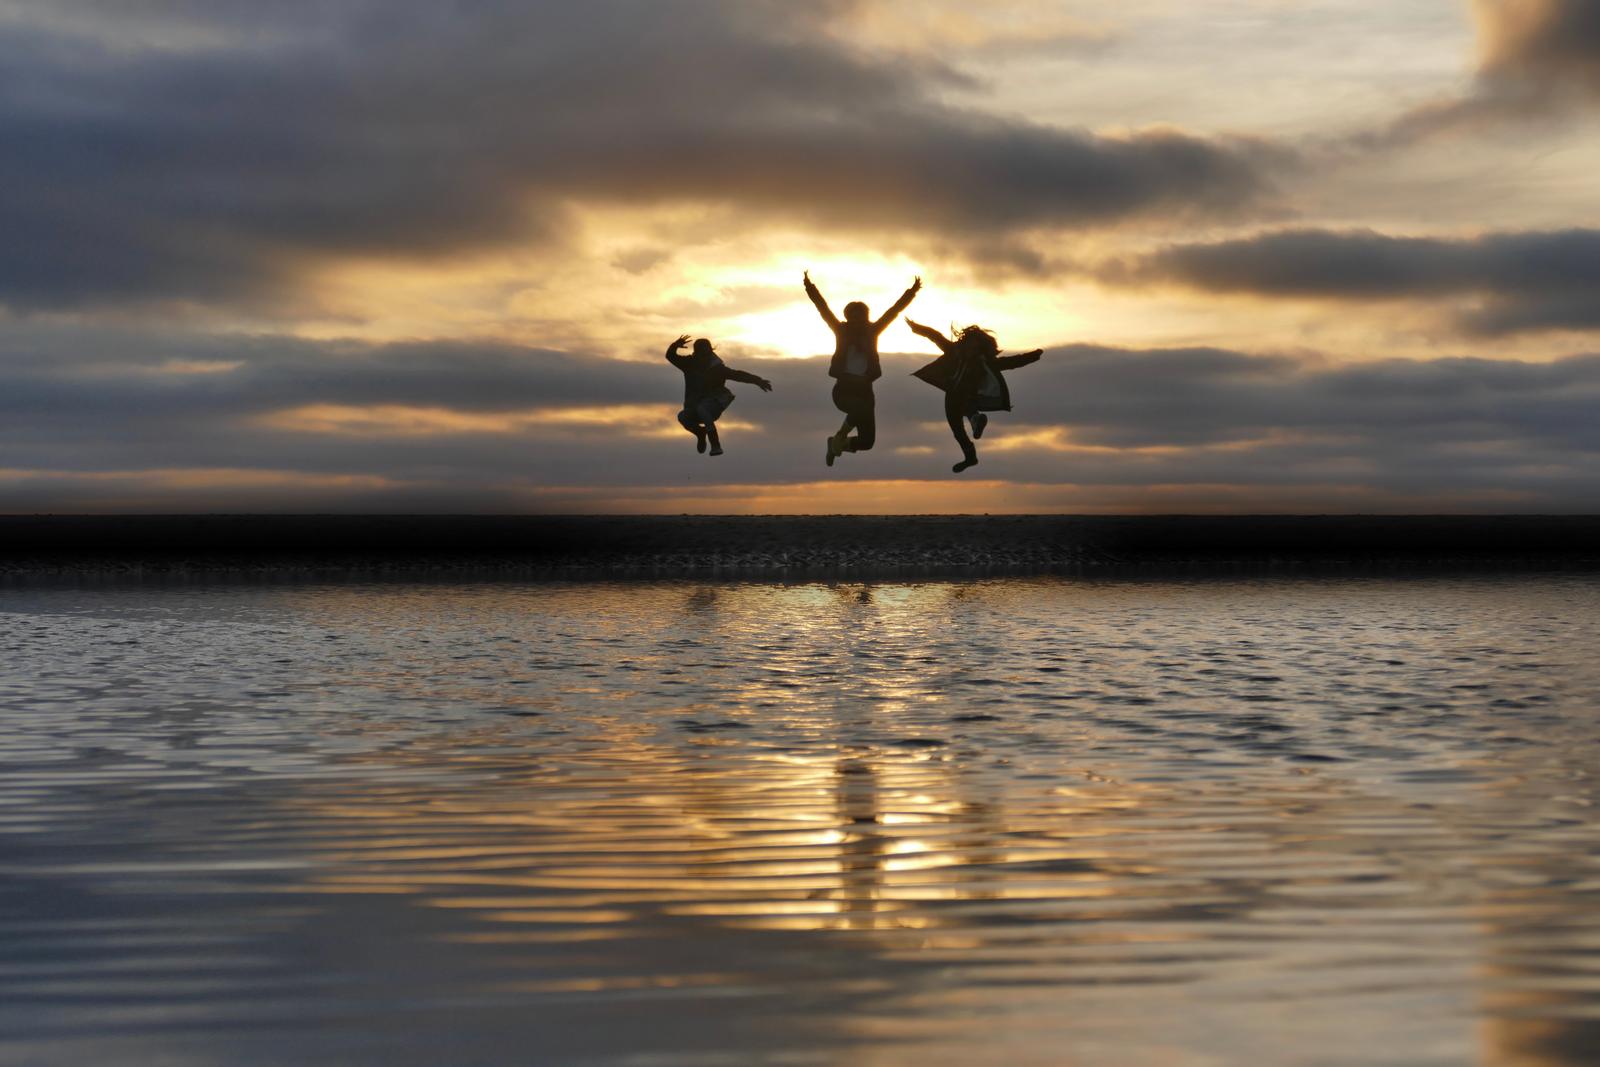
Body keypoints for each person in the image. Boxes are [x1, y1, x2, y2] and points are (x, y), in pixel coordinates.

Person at [803, 271, 921, 466]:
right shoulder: (840, 330)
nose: (858, 321)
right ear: (848, 317)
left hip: (865, 390)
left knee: (867, 442)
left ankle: (836, 444)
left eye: (862, 316)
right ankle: (840, 435)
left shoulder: (873, 331)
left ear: (866, 317)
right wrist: (809, 287)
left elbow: (894, 311)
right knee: (860, 408)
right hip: (843, 390)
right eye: (854, 317)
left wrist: (912, 291)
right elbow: (822, 307)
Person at [905, 320, 1043, 473]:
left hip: (967, 395)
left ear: (980, 348)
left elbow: (1012, 362)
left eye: (975, 346)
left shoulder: (984, 362)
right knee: (957, 429)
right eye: (970, 344)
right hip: (953, 393)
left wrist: (1034, 356)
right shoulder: (954, 351)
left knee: (965, 410)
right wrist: (916, 328)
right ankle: (971, 455)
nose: (971, 349)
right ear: (966, 343)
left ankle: (975, 421)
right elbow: (935, 336)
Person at [664, 335, 772, 456]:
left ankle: (715, 444)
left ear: (710, 352)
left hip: (714, 406)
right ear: (696, 353)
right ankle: (700, 433)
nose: (702, 356)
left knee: (703, 409)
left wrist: (758, 381)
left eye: (705, 353)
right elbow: (670, 356)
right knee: (683, 416)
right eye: (700, 353)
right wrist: (675, 345)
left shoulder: (717, 369)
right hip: (694, 406)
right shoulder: (689, 364)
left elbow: (738, 375)